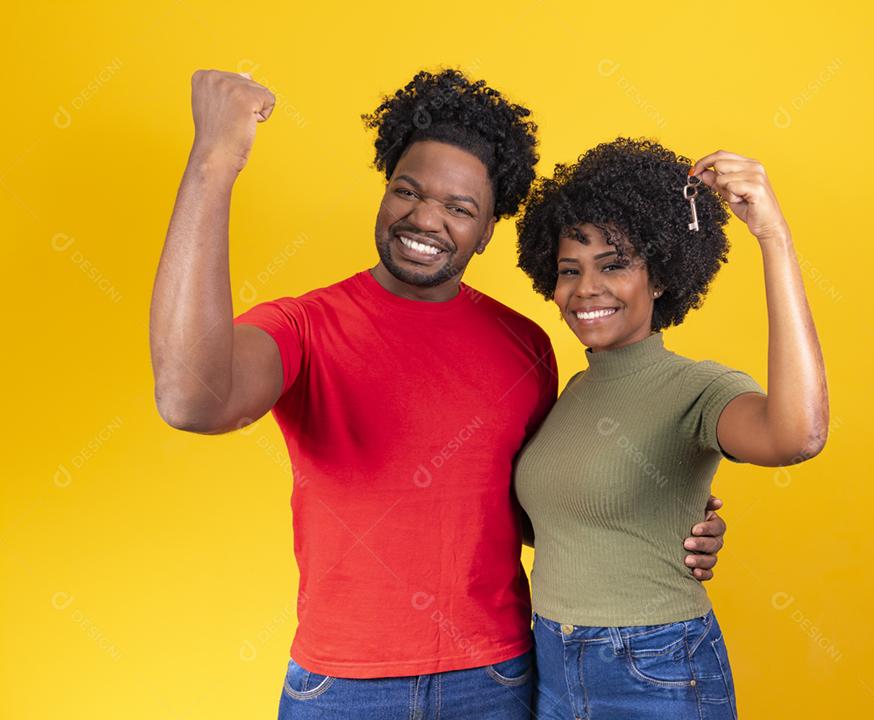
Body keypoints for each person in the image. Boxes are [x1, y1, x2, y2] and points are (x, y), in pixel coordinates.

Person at [149, 70, 729, 719]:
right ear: (385, 194)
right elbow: (189, 399)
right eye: (408, 191)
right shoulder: (304, 327)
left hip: (500, 678)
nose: (426, 218)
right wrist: (216, 159)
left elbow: (534, 509)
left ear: (486, 233)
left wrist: (660, 517)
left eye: (460, 208)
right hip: (342, 689)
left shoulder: (526, 346)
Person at [513, 138, 829, 719]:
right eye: (569, 270)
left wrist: (774, 240)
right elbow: (565, 522)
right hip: (552, 660)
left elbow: (797, 436)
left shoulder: (695, 388)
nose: (586, 288)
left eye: (614, 265)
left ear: (660, 277)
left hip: (652, 667)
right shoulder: (571, 393)